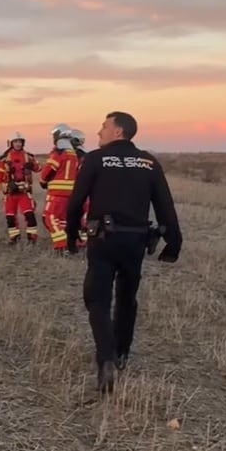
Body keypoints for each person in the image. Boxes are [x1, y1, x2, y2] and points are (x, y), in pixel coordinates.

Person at [66, 111, 182, 393]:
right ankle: (121, 353)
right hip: (135, 241)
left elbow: (76, 202)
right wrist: (173, 244)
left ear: (118, 131)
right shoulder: (148, 162)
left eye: (104, 126)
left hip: (103, 240)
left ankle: (105, 358)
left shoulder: (95, 159)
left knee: (97, 299)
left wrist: (71, 236)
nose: (99, 131)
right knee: (127, 298)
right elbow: (165, 206)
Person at [0, 131, 40, 244]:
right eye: (15, 141)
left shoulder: (28, 157)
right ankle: (14, 239)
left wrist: (32, 165)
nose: (18, 144)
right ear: (11, 143)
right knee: (10, 217)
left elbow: (39, 168)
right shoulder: (4, 159)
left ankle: (32, 238)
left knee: (29, 215)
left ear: (23, 143)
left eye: (20, 142)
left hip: (24, 192)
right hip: (10, 193)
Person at [39, 133, 81, 252]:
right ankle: (71, 244)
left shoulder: (59, 153)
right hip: (70, 194)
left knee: (49, 217)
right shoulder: (74, 154)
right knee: (62, 220)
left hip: (57, 193)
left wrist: (43, 181)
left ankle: (61, 245)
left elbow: (47, 171)